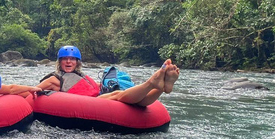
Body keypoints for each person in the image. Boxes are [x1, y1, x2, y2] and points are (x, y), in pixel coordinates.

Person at [37, 45, 179, 106]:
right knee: (117, 95)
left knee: (139, 103)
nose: (68, 61)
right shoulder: (54, 79)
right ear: (59, 61)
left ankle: (161, 87)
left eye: (72, 59)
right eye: (65, 59)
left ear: (77, 62)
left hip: (97, 96)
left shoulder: (80, 75)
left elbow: (90, 88)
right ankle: (152, 83)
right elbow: (34, 91)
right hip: (91, 102)